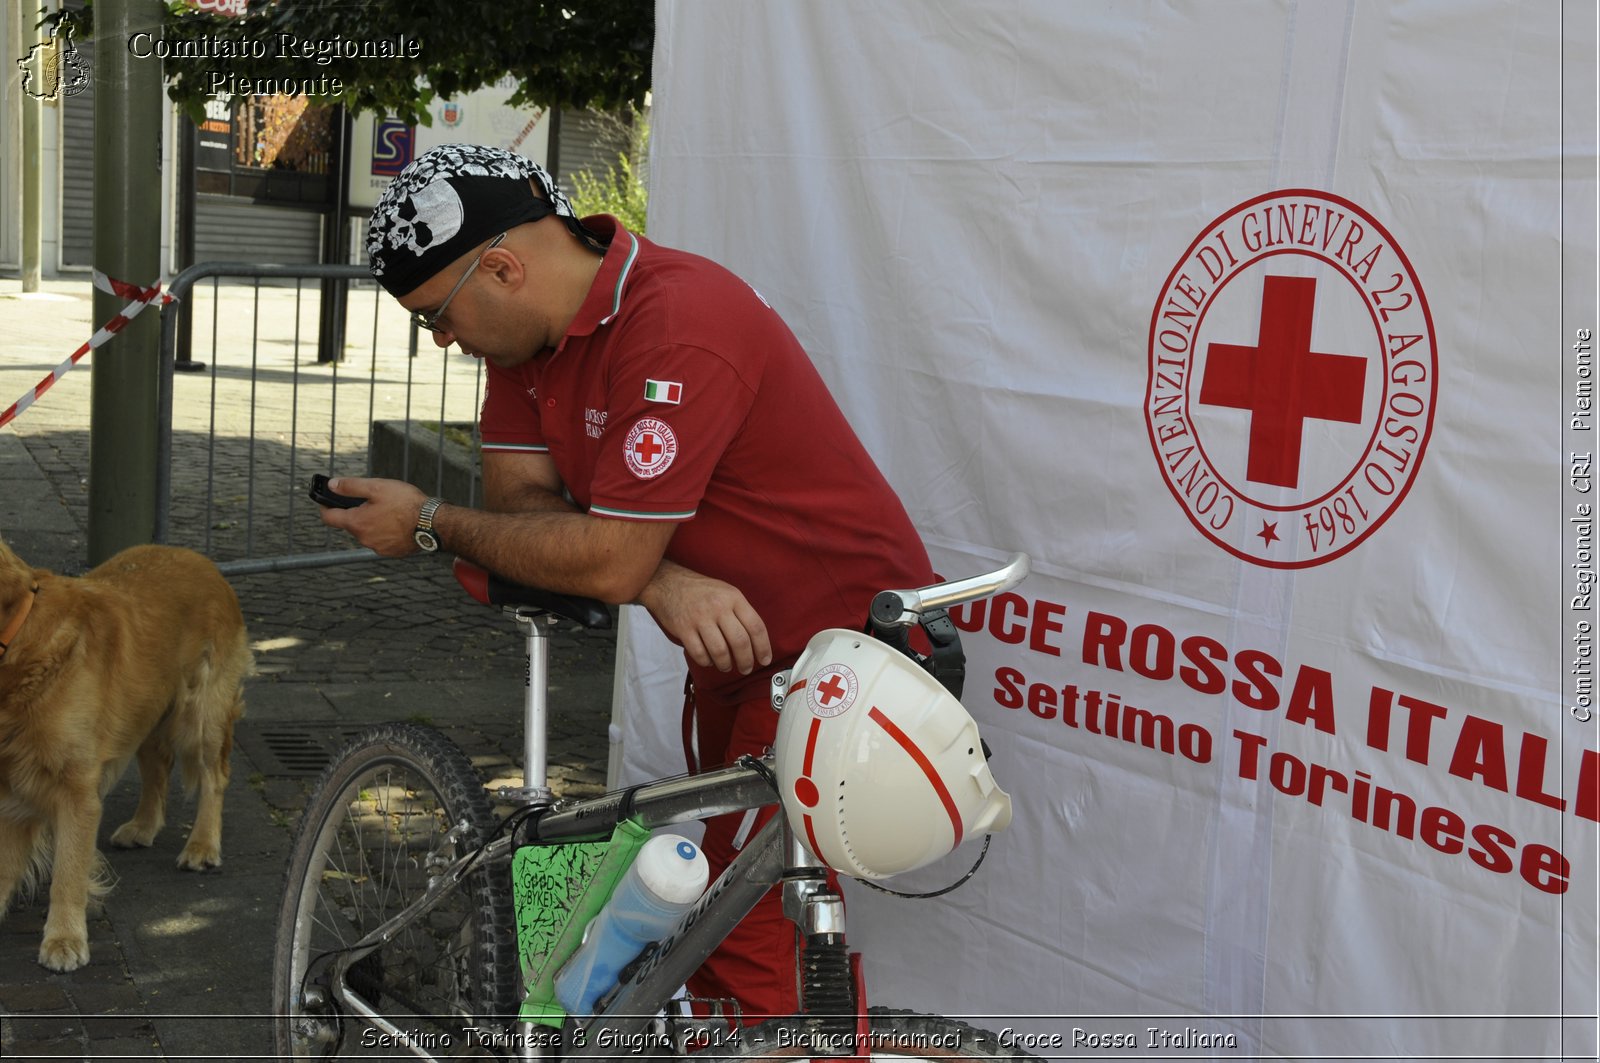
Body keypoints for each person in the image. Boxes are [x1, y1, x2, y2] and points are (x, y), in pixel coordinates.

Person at [322, 144, 935, 1021]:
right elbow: (527, 508)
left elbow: (597, 555)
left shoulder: (679, 320)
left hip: (839, 649)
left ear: (501, 266)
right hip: (739, 641)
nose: (444, 342)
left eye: (436, 317)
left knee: (749, 915)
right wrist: (659, 580)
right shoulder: (528, 341)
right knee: (718, 900)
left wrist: (429, 521)